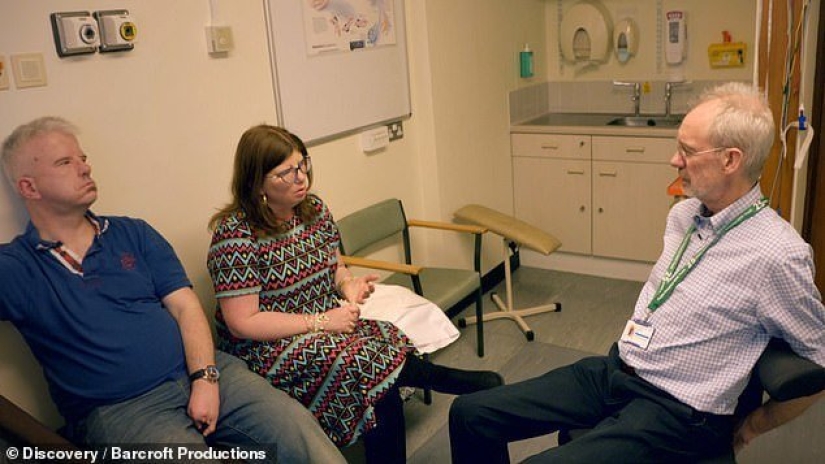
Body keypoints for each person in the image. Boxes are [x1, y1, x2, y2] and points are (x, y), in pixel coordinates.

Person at [448, 82, 825, 463]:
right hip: (621, 369)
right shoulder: (683, 215)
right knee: (471, 414)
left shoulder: (778, 254)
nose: (674, 160)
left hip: (678, 411)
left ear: (731, 160)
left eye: (687, 151)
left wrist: (754, 425)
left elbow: (818, 360)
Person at [0, 117, 345, 463]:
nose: (85, 168)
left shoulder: (133, 233)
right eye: (65, 162)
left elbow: (186, 307)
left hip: (208, 371)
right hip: (125, 410)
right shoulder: (17, 267)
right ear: (29, 188)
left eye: (83, 158)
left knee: (299, 433)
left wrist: (205, 380)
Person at [206, 124, 504, 463]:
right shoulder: (236, 236)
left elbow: (335, 266)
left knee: (386, 339)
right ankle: (447, 380)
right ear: (256, 181)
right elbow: (242, 323)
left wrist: (348, 284)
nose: (300, 178)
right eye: (285, 173)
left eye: (302, 164)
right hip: (269, 346)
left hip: (326, 324)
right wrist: (321, 321)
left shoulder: (312, 210)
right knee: (362, 361)